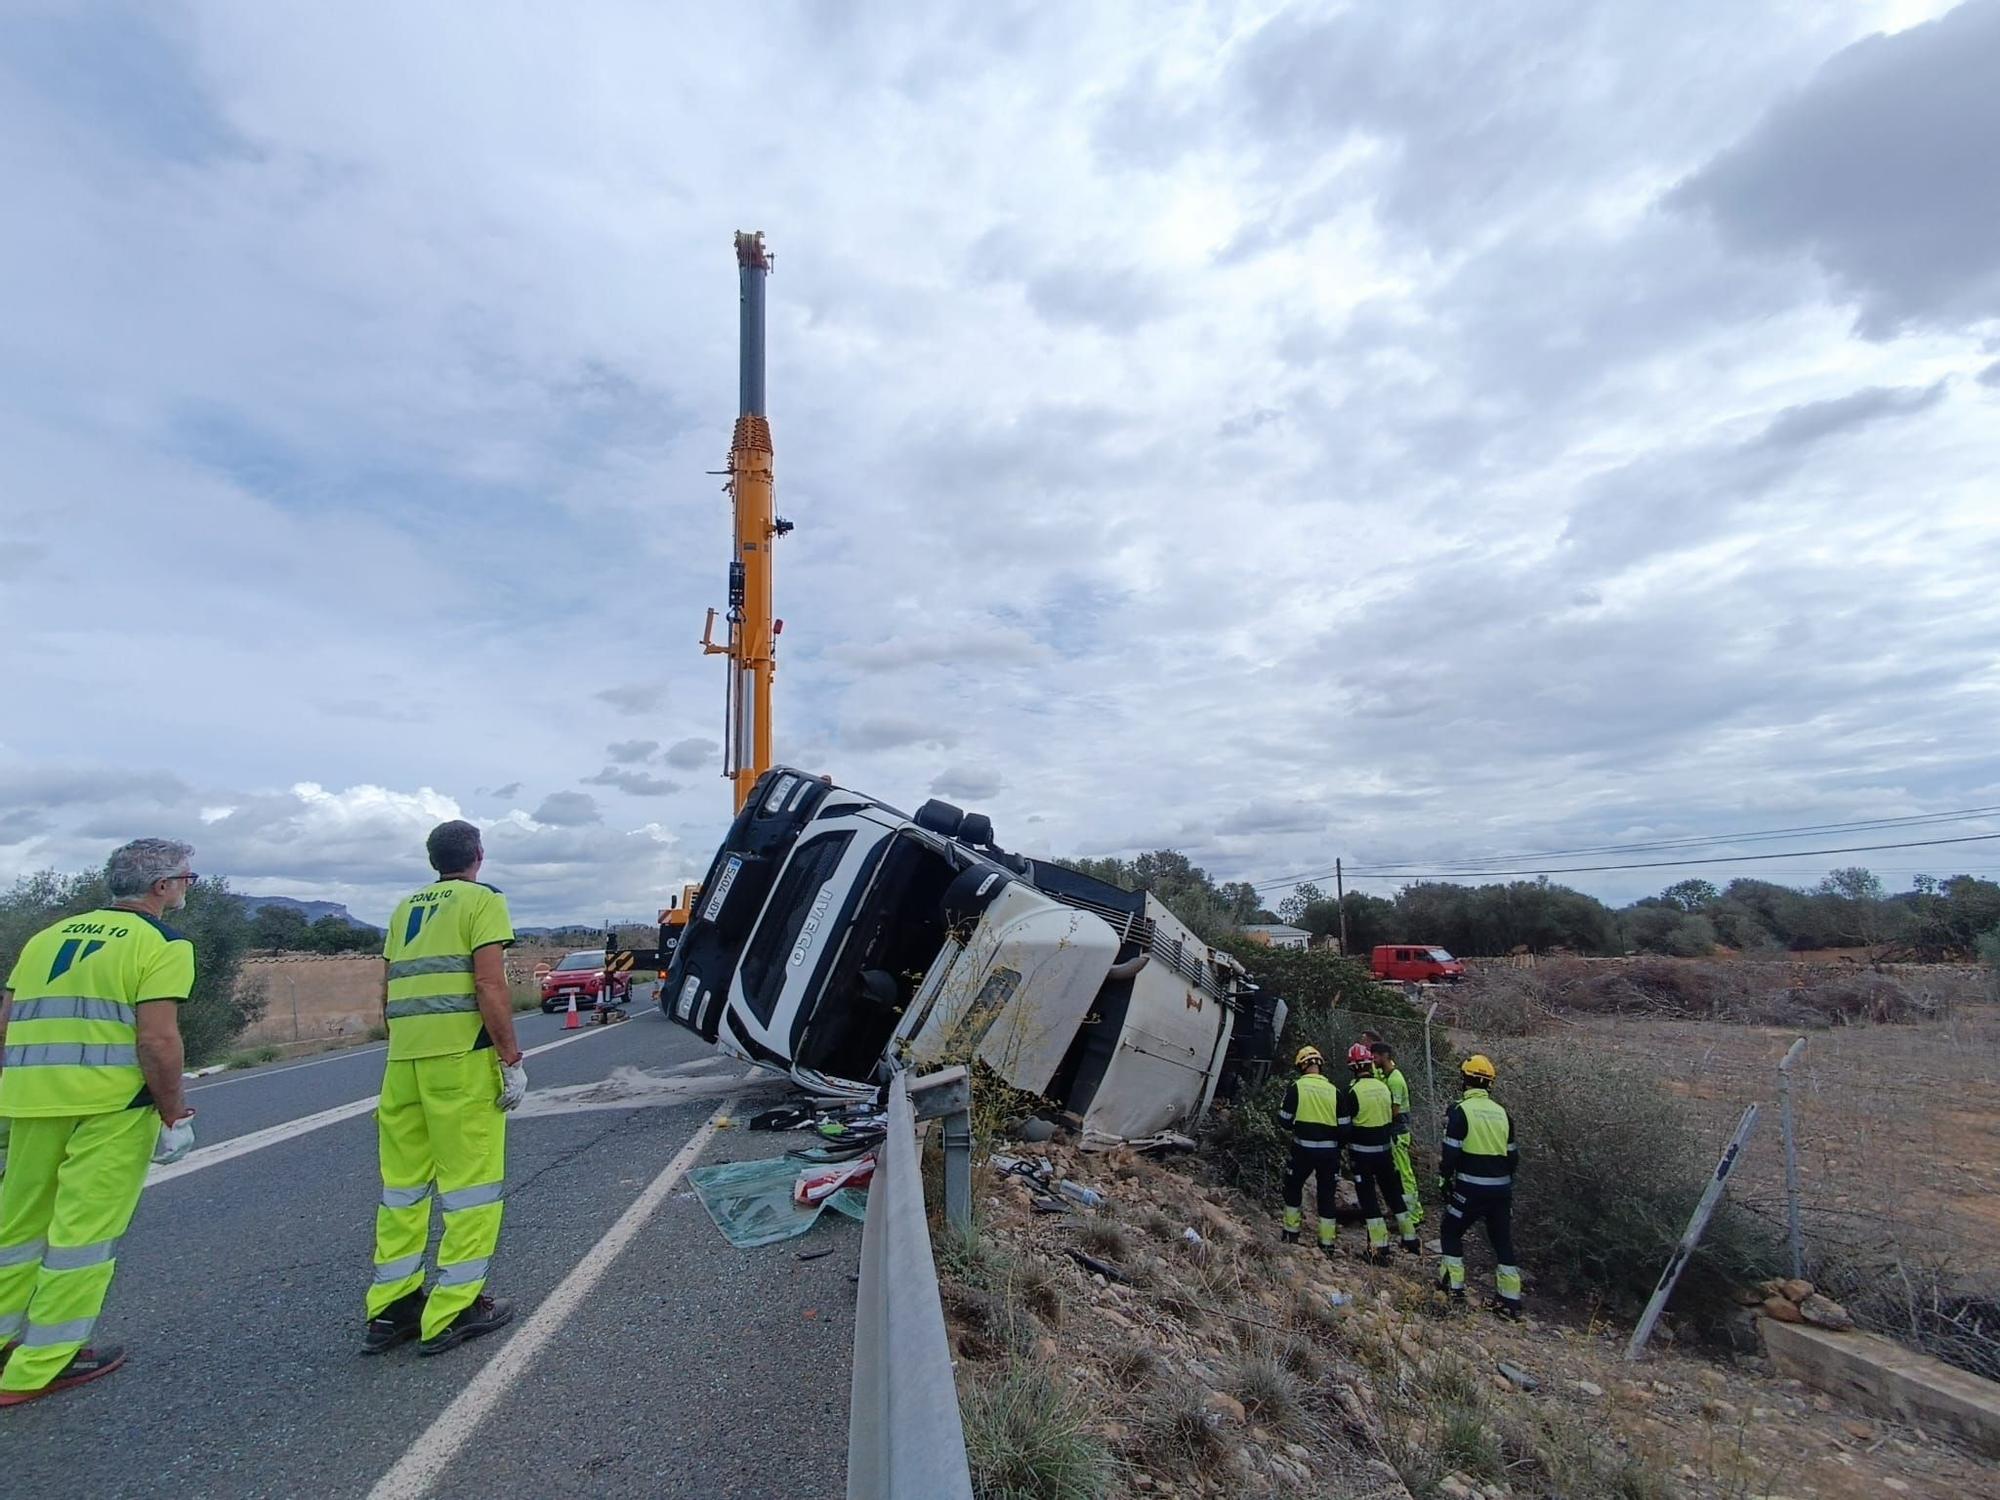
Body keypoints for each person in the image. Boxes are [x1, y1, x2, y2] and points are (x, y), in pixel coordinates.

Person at [0, 839, 201, 1406]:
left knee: (15, 1231)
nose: (188, 887)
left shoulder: (47, 937)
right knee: (82, 1237)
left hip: (30, 1101)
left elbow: (6, 1023)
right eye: (187, 879)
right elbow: (158, 1040)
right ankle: (42, 1363)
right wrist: (171, 1112)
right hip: (110, 1106)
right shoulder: (162, 942)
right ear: (161, 887)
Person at [363, 820, 527, 1357]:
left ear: (433, 858)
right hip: (459, 1061)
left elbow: (386, 991)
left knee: (403, 1189)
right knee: (470, 1187)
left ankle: (393, 1307)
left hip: (403, 1061)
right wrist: (509, 1056)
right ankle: (454, 1309)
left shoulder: (404, 907)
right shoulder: (482, 902)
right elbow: (488, 982)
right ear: (479, 854)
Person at [1436, 1053, 1521, 1319]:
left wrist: (1444, 1180)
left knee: (1450, 1230)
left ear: (1465, 1080)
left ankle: (1453, 1287)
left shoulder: (1460, 1111)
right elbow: (1512, 1156)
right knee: (1502, 1240)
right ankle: (1510, 1301)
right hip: (1500, 1190)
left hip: (1470, 1188)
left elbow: (1450, 1153)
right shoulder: (1503, 1113)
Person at [1345, 1043, 1419, 1264]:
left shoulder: (1352, 1091)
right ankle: (1411, 1239)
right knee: (1393, 1194)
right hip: (1385, 1153)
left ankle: (1379, 1249)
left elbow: (1346, 1125)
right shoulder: (1383, 1087)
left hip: (1363, 1155)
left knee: (1369, 1201)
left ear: (1353, 1067)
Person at [1276, 1045, 1344, 1252]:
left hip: (1302, 1150)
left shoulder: (1296, 1088)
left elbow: (1285, 1120)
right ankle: (1327, 1243)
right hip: (1329, 1153)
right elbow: (1345, 1125)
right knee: (1326, 1195)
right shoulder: (1335, 1091)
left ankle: (1291, 1233)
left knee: (1293, 1187)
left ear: (1302, 1066)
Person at [1370, 1039, 1423, 1228]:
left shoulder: (1395, 1080)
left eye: (1375, 1056)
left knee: (1404, 1174)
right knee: (1397, 1174)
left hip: (1398, 1133)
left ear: (1385, 1056)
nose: (1373, 1059)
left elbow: (1394, 1110)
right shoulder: (1387, 1076)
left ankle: (1413, 1216)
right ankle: (1403, 1210)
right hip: (1394, 1133)